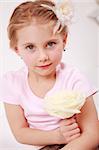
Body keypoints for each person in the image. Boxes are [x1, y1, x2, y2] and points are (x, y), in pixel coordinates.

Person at [0, 0, 99, 149]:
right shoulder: (12, 83)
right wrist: (57, 136)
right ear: (16, 49)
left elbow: (92, 135)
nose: (43, 56)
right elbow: (20, 132)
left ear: (64, 40)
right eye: (30, 47)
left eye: (50, 44)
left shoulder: (74, 79)